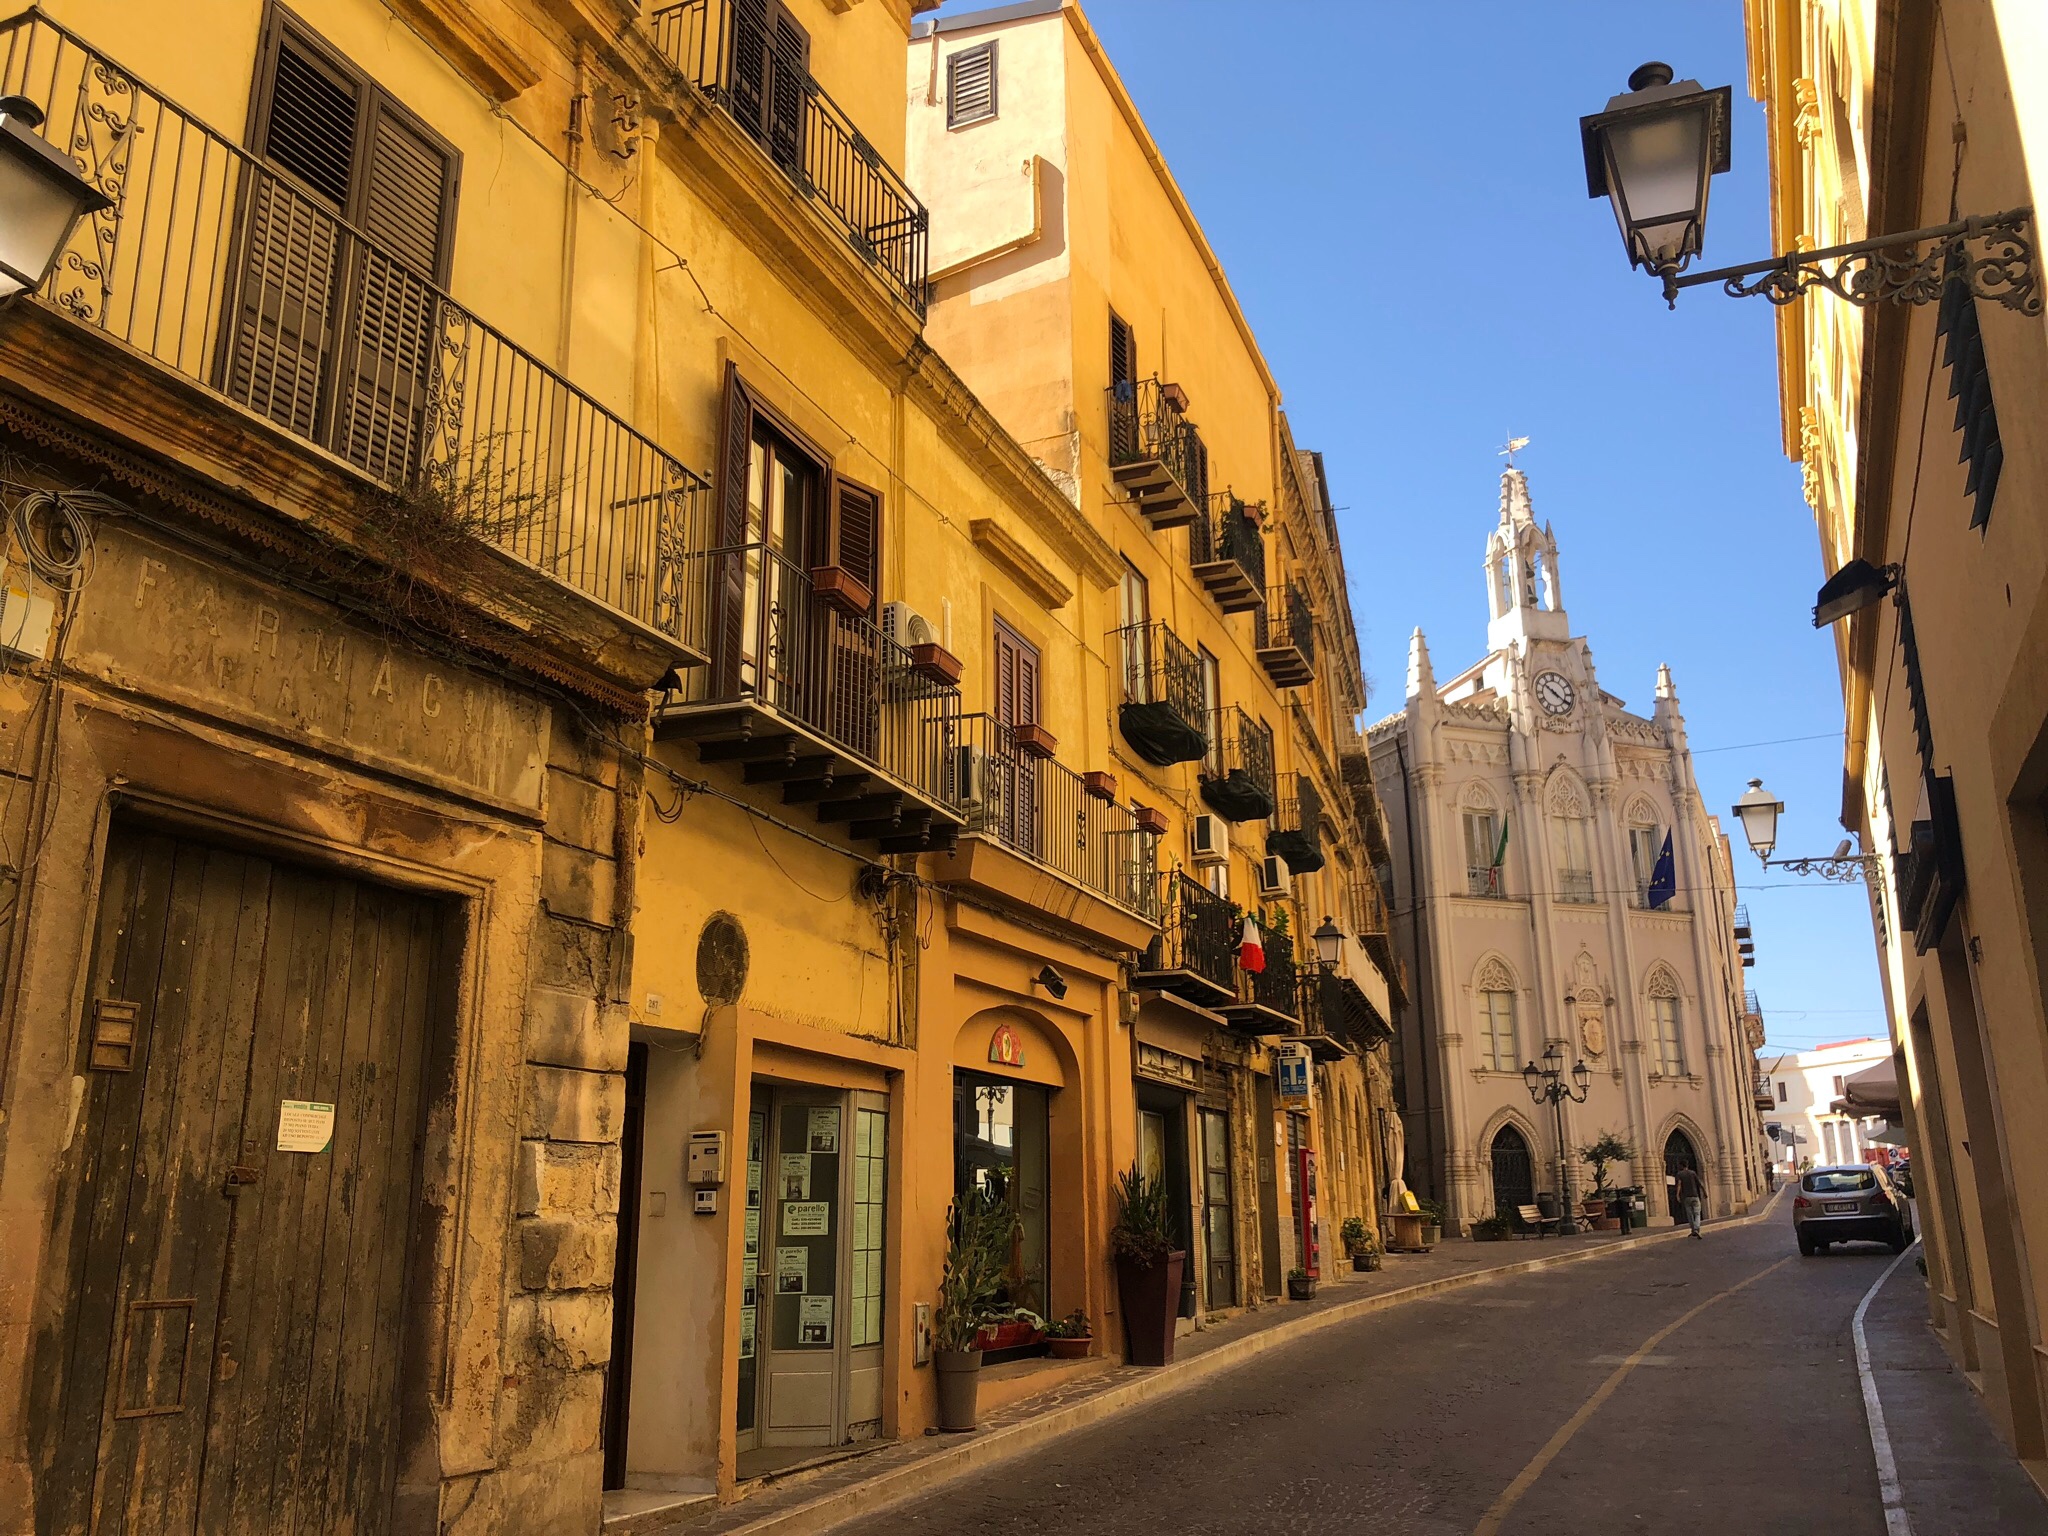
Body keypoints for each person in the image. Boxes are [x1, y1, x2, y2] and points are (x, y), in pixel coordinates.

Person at [1675, 1164, 1705, 1239]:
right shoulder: (1693, 1173)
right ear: (1687, 1165)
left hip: (1686, 1197)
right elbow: (1700, 1184)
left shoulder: (1679, 1174)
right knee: (1697, 1214)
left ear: (1681, 1167)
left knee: (1690, 1215)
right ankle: (1696, 1229)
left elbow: (1679, 1184)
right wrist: (1704, 1192)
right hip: (1695, 1196)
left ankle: (1693, 1230)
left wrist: (1677, 1195)